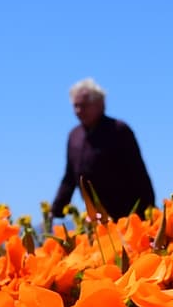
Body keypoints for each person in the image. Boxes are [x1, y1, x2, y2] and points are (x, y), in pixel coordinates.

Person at [49, 78, 155, 228]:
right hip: (96, 219)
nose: (79, 111)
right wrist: (55, 210)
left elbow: (139, 173)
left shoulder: (119, 130)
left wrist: (147, 212)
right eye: (76, 106)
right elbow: (69, 178)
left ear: (100, 104)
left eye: (84, 106)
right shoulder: (74, 136)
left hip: (126, 215)